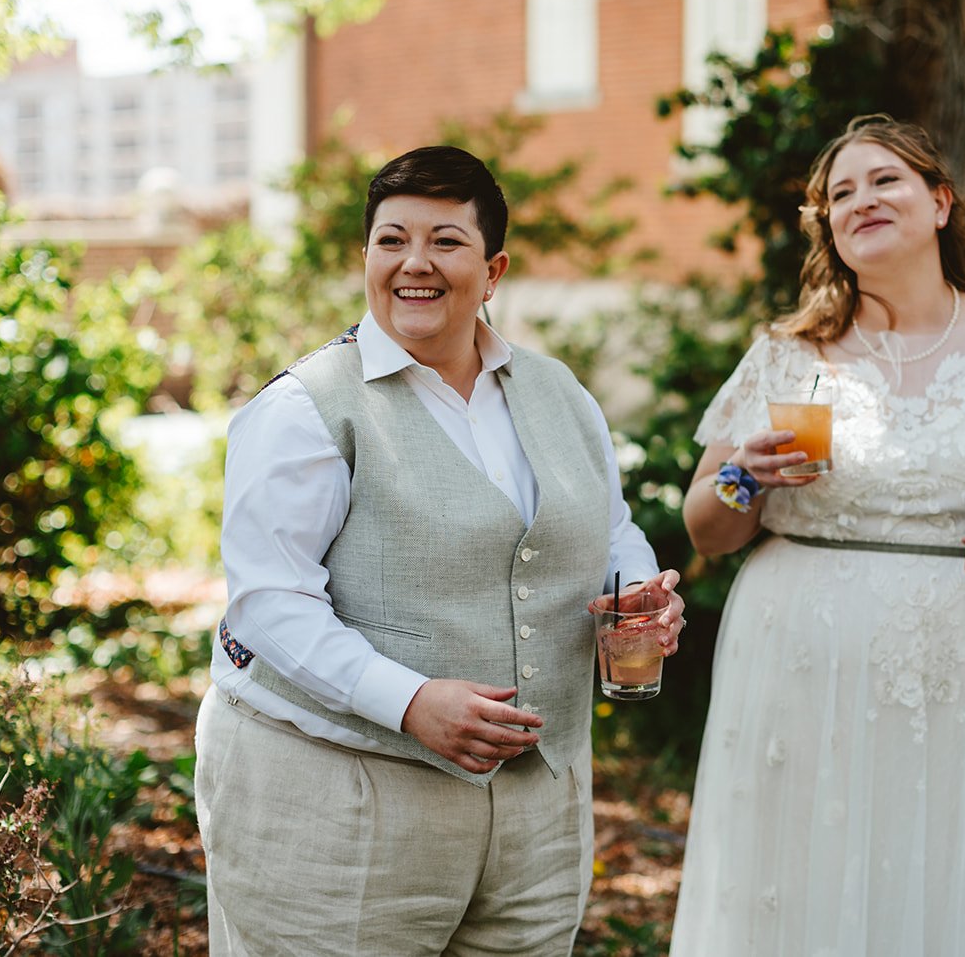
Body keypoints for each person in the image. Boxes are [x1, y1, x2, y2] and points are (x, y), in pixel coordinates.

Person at [194, 145, 685, 957]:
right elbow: (270, 602)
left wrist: (637, 588)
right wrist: (409, 700)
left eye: (444, 241)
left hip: (540, 814)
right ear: (366, 259)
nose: (413, 263)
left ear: (492, 271)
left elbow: (609, 530)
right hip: (343, 800)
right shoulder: (304, 409)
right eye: (391, 240)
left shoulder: (560, 391)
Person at [669, 114, 965, 956]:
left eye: (885, 180)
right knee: (795, 884)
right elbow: (707, 527)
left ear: (940, 203)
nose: (862, 200)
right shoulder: (787, 354)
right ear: (828, 228)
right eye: (841, 193)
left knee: (953, 875)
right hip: (799, 662)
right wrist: (745, 476)